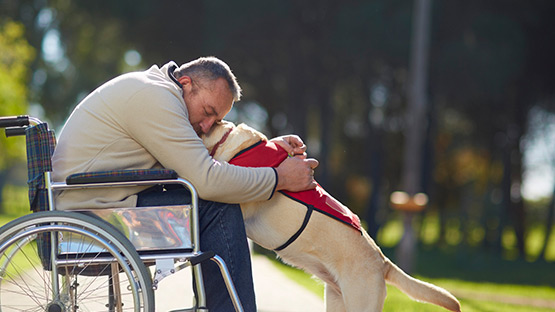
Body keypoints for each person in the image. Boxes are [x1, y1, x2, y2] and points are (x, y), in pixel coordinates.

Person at [52, 56, 319, 311]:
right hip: (88, 217)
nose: (206, 126)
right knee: (215, 207)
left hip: (93, 203)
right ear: (186, 83)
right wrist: (281, 178)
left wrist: (268, 152)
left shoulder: (158, 92)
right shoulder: (155, 98)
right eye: (207, 112)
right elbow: (207, 179)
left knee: (204, 202)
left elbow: (205, 152)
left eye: (216, 120)